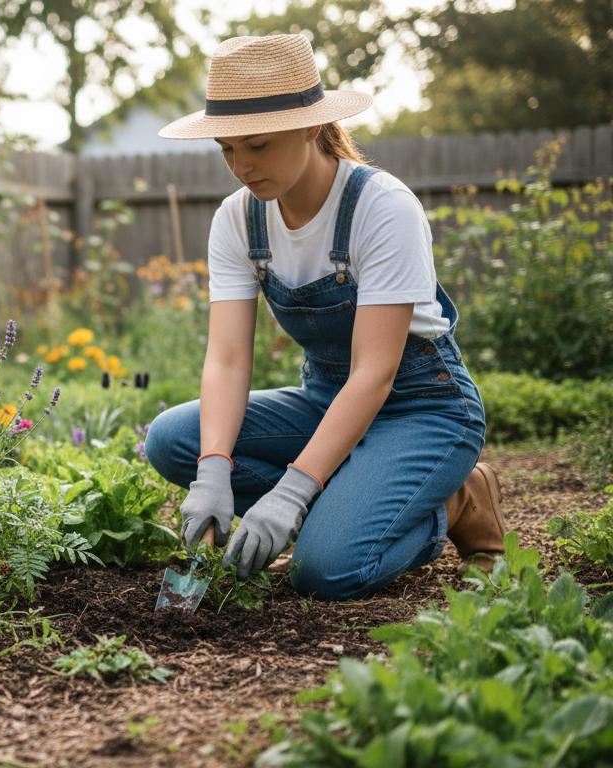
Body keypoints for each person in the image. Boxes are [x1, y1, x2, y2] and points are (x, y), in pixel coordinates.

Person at [143, 33, 506, 601]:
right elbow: (229, 358)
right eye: (227, 150)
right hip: (325, 399)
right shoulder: (239, 220)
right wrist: (213, 468)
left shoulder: (380, 207)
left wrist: (291, 492)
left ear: (311, 126)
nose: (241, 166)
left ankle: (456, 502)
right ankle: (348, 500)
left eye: (257, 145)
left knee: (325, 571)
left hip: (420, 405)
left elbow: (374, 373)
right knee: (173, 440)